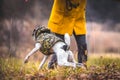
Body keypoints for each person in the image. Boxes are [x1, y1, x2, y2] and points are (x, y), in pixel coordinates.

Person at [47, 0, 88, 69]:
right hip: (61, 20)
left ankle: (82, 66)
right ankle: (52, 66)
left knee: (83, 45)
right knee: (60, 46)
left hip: (78, 19)